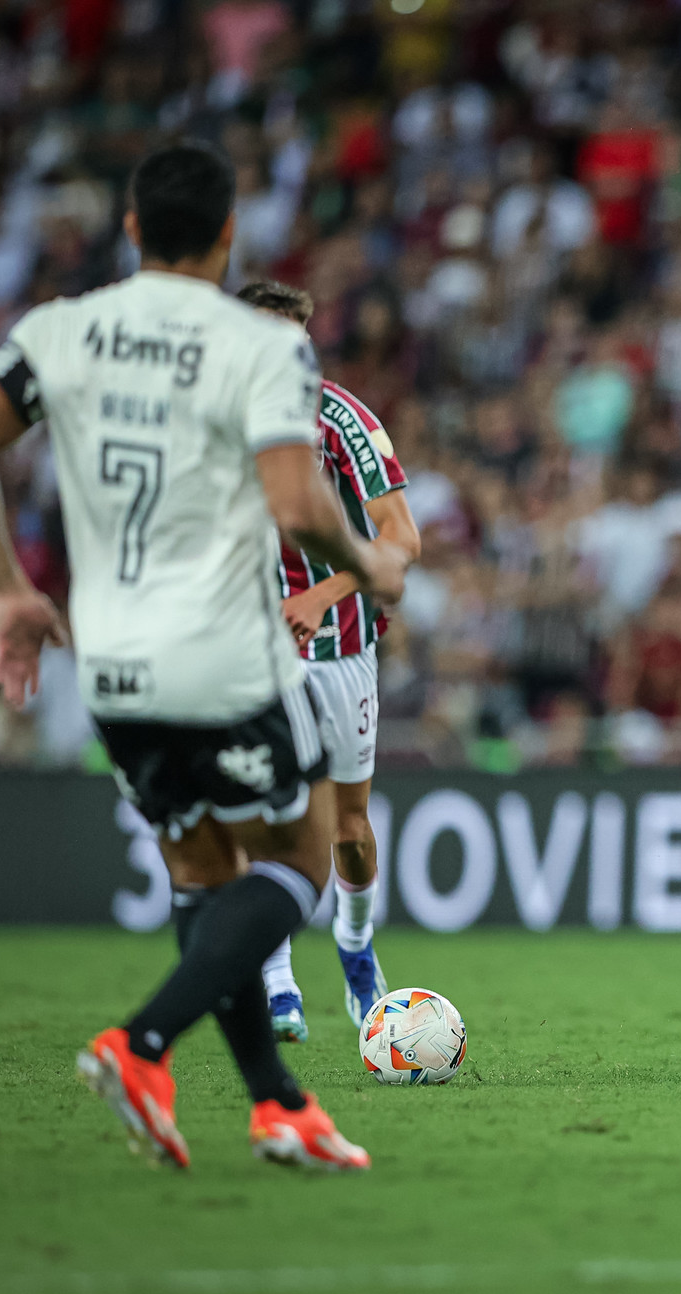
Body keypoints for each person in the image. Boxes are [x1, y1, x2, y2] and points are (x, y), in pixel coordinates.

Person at [0, 142, 409, 1170]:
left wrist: (9, 588)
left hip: (108, 661)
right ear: (229, 236)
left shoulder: (57, 329)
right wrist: (365, 561)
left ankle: (279, 1103)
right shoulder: (254, 347)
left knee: (202, 872)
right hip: (224, 647)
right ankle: (140, 1044)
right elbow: (291, 501)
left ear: (132, 229)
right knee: (299, 859)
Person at [236, 281, 421, 1041]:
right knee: (271, 812)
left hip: (341, 643)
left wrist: (324, 595)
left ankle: (353, 943)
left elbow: (402, 539)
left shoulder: (341, 420)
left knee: (347, 826)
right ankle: (277, 978)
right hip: (249, 647)